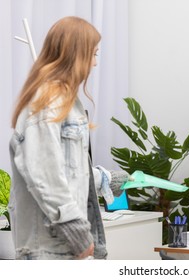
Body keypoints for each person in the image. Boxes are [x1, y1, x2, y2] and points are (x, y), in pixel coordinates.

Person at [9, 16, 131, 260]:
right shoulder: (47, 103)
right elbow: (45, 175)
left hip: (60, 245)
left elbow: (65, 169)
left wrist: (105, 179)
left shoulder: (66, 102)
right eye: (94, 54)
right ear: (76, 54)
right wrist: (76, 231)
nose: (95, 63)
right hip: (48, 247)